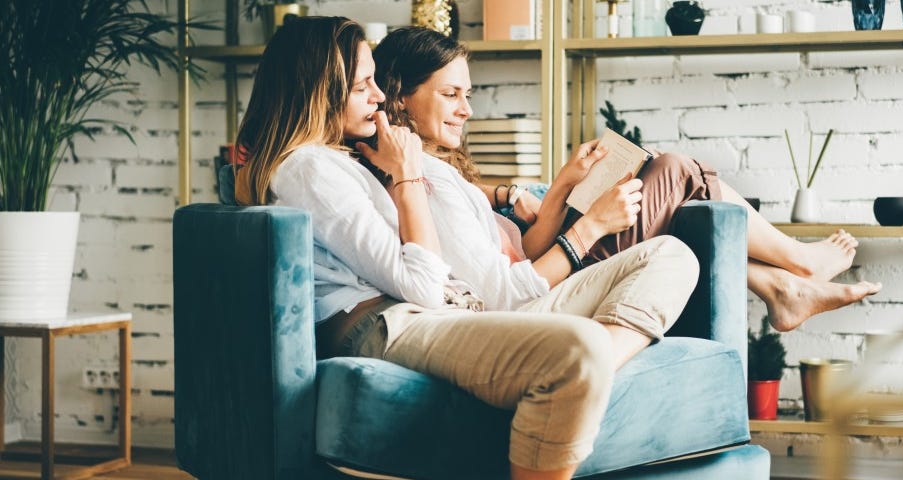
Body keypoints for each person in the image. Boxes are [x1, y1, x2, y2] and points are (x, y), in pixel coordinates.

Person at [233, 16, 699, 480]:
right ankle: (587, 372)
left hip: (444, 310)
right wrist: (409, 175)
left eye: (376, 82)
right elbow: (422, 285)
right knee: (582, 346)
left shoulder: (340, 159)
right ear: (318, 90)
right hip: (389, 322)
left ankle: (592, 375)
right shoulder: (309, 168)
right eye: (362, 86)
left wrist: (506, 193)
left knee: (673, 255)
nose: (376, 97)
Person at [372, 26, 883, 332]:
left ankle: (780, 287)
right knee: (676, 172)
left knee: (661, 173)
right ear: (400, 96)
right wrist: (590, 225)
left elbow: (523, 251)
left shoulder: (434, 170)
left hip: (549, 267)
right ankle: (798, 265)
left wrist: (561, 188)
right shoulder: (421, 182)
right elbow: (507, 291)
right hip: (551, 293)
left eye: (467, 94)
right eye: (451, 95)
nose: (467, 109)